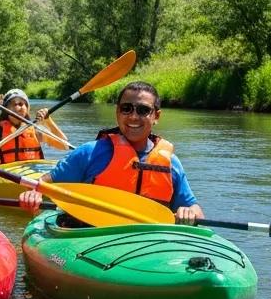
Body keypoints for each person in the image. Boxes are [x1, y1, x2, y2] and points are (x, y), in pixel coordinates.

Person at [18, 81, 204, 222]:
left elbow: (196, 210)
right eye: (126, 108)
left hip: (150, 243)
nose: (133, 116)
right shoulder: (89, 153)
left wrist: (189, 213)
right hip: (91, 238)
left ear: (156, 116)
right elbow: (39, 184)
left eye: (143, 110)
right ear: (117, 112)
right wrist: (34, 194)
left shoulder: (171, 163)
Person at [0, 87, 61, 164]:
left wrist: (48, 121)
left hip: (34, 175)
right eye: (14, 103)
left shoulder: (36, 131)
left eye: (22, 103)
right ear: (6, 109)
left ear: (27, 109)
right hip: (7, 175)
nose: (19, 106)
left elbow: (64, 146)